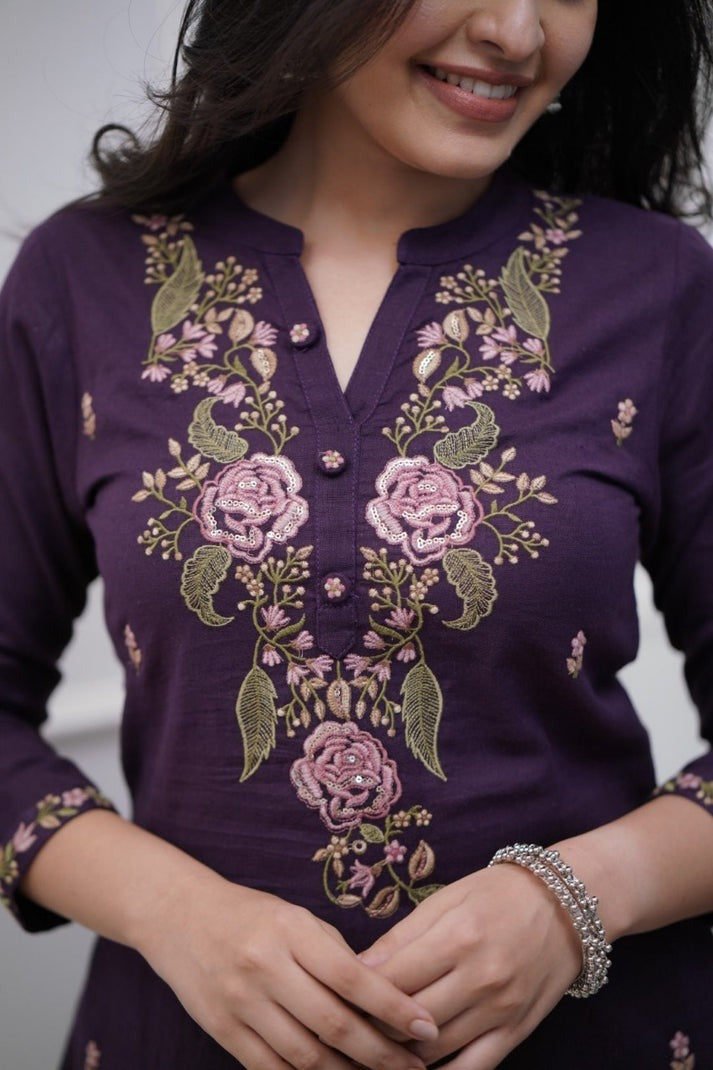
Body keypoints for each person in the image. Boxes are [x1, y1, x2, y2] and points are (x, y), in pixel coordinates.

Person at [2, 0, 713, 1066]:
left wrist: (574, 901)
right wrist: (173, 912)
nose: (517, 32)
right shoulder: (84, 279)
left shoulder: (655, 285)